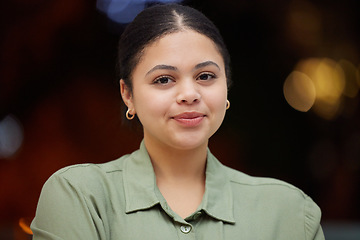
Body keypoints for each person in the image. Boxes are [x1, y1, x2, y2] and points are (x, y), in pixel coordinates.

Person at [31, 3, 325, 240]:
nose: (189, 94)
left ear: (226, 88)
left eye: (206, 76)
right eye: (163, 79)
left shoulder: (290, 212)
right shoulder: (81, 197)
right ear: (128, 95)